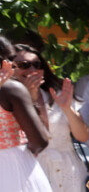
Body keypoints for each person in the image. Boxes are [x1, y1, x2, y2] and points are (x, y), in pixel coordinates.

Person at [14, 42, 89, 191]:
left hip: (69, 170)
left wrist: (67, 109)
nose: (32, 69)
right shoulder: (7, 100)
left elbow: (83, 136)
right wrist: (30, 97)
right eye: (24, 64)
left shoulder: (58, 93)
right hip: (31, 170)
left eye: (37, 64)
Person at [0, 34, 52, 191]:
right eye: (10, 59)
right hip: (13, 168)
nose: (12, 65)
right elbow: (40, 140)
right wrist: (32, 98)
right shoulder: (11, 89)